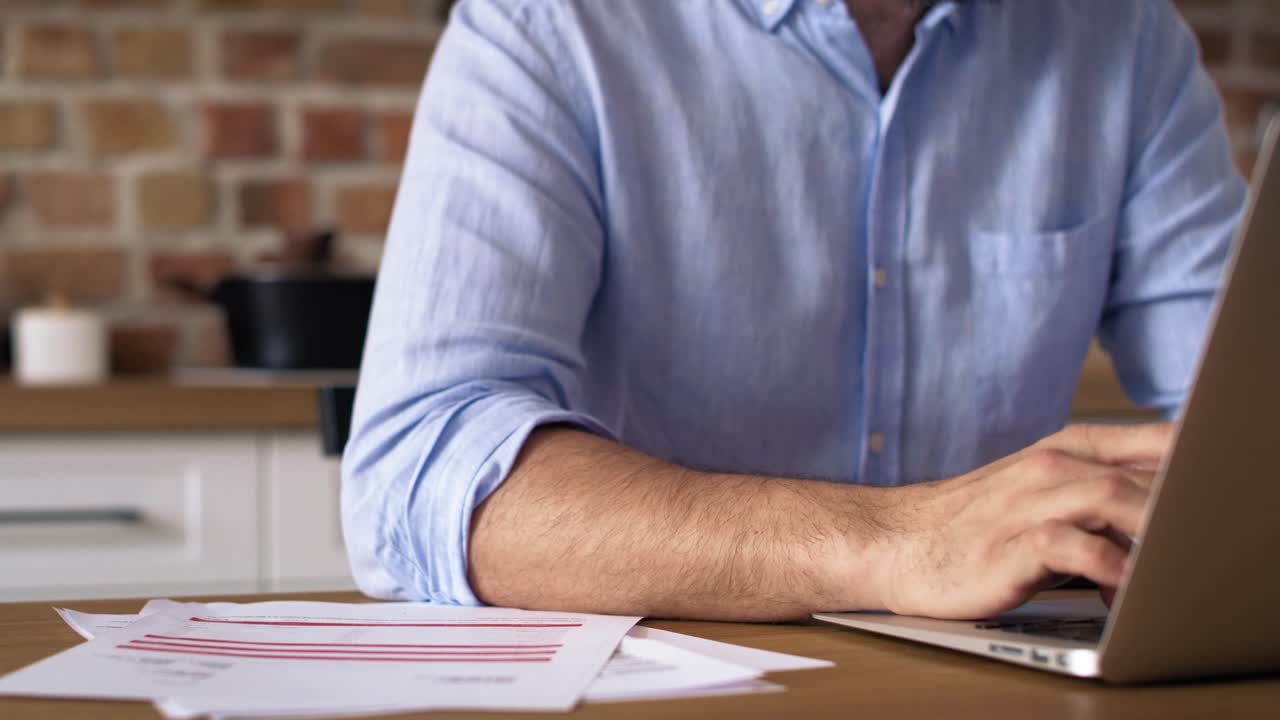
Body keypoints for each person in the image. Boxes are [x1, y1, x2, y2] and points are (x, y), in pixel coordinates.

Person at [341, 0, 1246, 622]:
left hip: (985, 685)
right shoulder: (549, 28)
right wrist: (894, 541)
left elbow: (1246, 413)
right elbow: (419, 470)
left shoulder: (1123, 39)